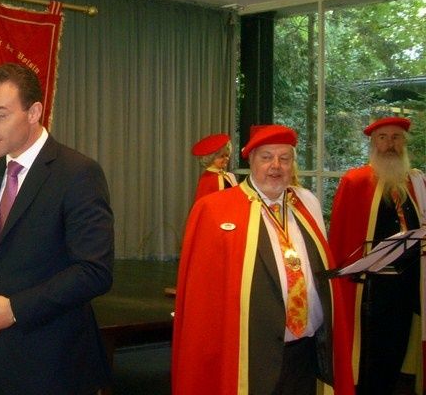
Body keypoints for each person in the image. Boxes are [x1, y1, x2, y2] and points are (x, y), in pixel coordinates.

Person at [0, 62, 114, 394]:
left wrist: (15, 309)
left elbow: (94, 271)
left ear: (34, 112)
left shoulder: (78, 173)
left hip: (50, 367)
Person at [172, 124, 354, 395]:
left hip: (305, 352)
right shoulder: (213, 210)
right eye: (266, 157)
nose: (276, 166)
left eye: (284, 158)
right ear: (251, 160)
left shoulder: (307, 203)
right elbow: (201, 299)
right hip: (248, 357)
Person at [329, 116, 426, 394]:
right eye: (383, 138)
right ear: (373, 144)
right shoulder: (355, 181)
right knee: (371, 359)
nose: (390, 144)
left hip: (406, 287)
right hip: (370, 290)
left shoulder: (415, 182)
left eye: (396, 137)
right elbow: (341, 237)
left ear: (404, 142)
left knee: (396, 353)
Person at [191, 132, 237, 200]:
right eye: (221, 156)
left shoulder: (229, 176)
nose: (226, 159)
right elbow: (203, 203)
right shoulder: (207, 179)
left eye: (227, 155)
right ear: (211, 158)